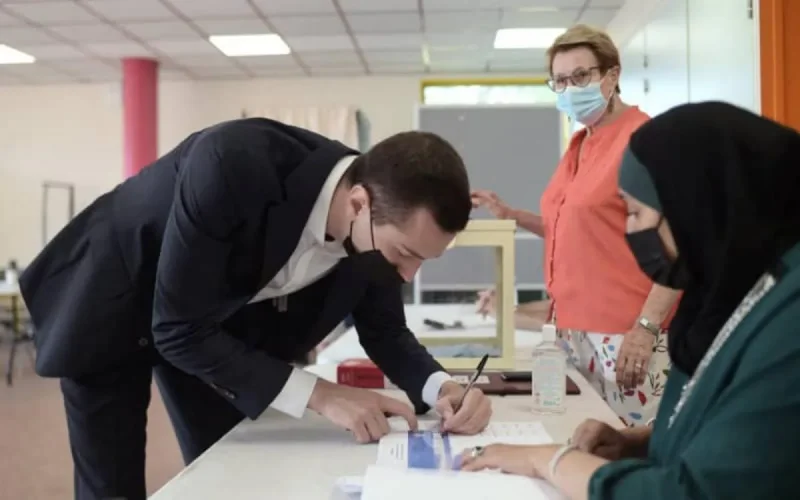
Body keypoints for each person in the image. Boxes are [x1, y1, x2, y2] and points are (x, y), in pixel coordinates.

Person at [19, 119, 493, 500]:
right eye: (405, 253)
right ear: (357, 202)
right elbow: (178, 327)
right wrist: (325, 396)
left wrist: (442, 387)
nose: (407, 275)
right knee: (111, 484)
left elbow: (385, 331)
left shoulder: (377, 226)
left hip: (211, 329)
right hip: (113, 305)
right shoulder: (235, 162)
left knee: (230, 466)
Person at [457, 101, 800, 499]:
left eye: (635, 213)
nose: (628, 231)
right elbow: (731, 433)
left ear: (693, 206)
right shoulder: (738, 291)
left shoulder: (788, 320)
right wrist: (641, 444)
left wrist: (547, 460)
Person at [472, 24, 681, 425]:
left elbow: (679, 246)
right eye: (560, 80)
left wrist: (645, 329)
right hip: (571, 335)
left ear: (612, 75)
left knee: (634, 452)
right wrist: (514, 216)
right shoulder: (581, 143)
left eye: (580, 76)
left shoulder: (645, 141)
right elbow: (576, 230)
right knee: (586, 443)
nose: (570, 88)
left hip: (628, 338)